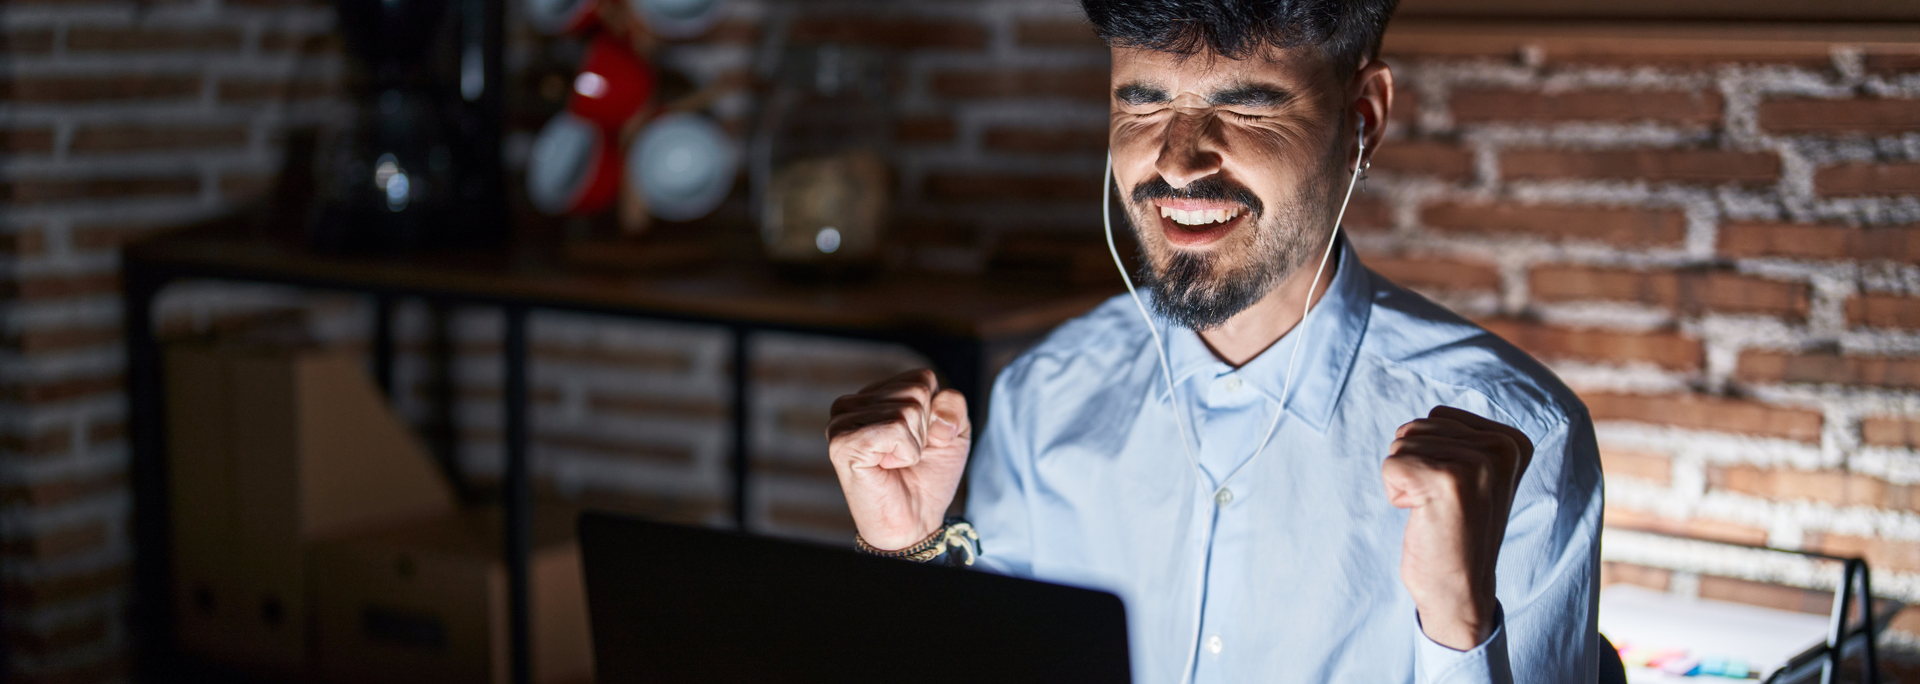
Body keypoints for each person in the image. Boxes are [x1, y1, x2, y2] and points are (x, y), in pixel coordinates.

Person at [824, 1, 1603, 682]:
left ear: (1361, 118)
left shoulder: (1520, 434)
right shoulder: (1044, 395)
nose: (1177, 160)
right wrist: (907, 548)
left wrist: (1458, 624)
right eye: (1143, 105)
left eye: (1247, 108)